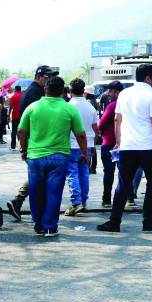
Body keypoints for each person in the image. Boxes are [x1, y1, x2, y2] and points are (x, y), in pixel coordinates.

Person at [97, 63, 152, 232]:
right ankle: (149, 220)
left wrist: (119, 142)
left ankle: (114, 221)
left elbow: (117, 119)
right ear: (148, 78)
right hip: (147, 147)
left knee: (123, 184)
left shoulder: (124, 94)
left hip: (127, 147)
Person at [18, 76, 87, 237]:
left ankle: (38, 225)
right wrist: (85, 153)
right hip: (59, 157)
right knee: (53, 193)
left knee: (36, 192)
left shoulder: (33, 107)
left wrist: (24, 149)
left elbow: (22, 131)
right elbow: (81, 135)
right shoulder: (70, 109)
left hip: (35, 157)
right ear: (63, 91)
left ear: (45, 89)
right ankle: (50, 227)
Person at [5, 65, 59, 221]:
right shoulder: (35, 93)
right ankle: (24, 205)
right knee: (40, 176)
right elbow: (33, 121)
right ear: (39, 76)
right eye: (47, 77)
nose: (49, 81)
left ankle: (18, 201)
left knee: (40, 175)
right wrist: (25, 147)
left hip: (34, 139)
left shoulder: (34, 91)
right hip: (34, 140)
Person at [64, 78, 97, 215]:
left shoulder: (68, 106)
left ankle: (76, 202)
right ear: (83, 91)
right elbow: (95, 128)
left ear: (70, 91)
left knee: (72, 173)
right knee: (84, 173)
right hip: (87, 145)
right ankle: (83, 202)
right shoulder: (90, 107)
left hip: (72, 145)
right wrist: (93, 145)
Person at [97, 81, 123, 207]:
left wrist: (100, 132)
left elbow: (101, 124)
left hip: (109, 144)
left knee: (109, 172)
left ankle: (106, 199)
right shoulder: (127, 105)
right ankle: (128, 198)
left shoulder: (113, 106)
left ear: (117, 92)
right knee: (123, 172)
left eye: (111, 91)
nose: (108, 94)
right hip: (124, 144)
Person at [8, 85, 22, 150]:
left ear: (15, 90)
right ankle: (22, 145)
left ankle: (13, 146)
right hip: (23, 116)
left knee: (14, 131)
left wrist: (8, 116)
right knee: (23, 131)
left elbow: (10, 107)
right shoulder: (24, 96)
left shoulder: (13, 97)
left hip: (15, 117)